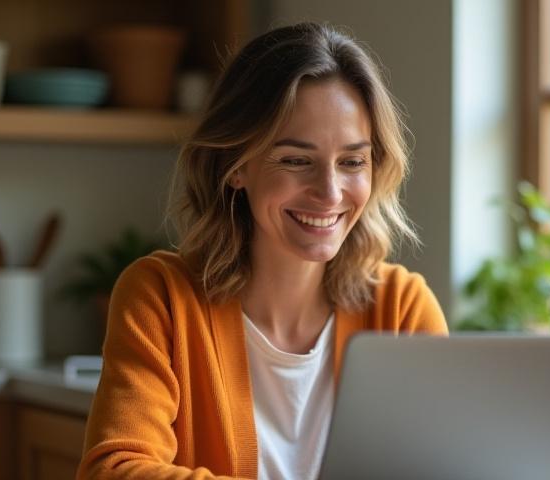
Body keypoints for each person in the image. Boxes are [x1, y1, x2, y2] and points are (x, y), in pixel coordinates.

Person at [77, 22, 448, 480]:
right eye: (295, 160)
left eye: (352, 162)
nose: (330, 192)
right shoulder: (161, 299)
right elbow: (112, 470)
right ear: (236, 166)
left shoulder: (402, 310)